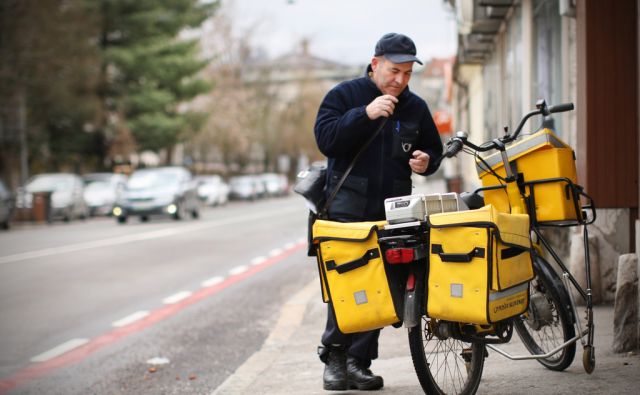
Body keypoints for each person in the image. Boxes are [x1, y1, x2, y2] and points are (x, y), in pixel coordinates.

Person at [313, 33, 444, 391]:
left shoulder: (414, 107)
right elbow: (325, 138)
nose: (400, 80)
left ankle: (359, 362)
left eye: (406, 73)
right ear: (375, 64)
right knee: (349, 283)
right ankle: (335, 359)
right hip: (347, 210)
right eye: (394, 71)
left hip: (394, 212)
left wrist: (427, 160)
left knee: (385, 287)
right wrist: (364, 115)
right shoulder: (345, 95)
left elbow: (433, 148)